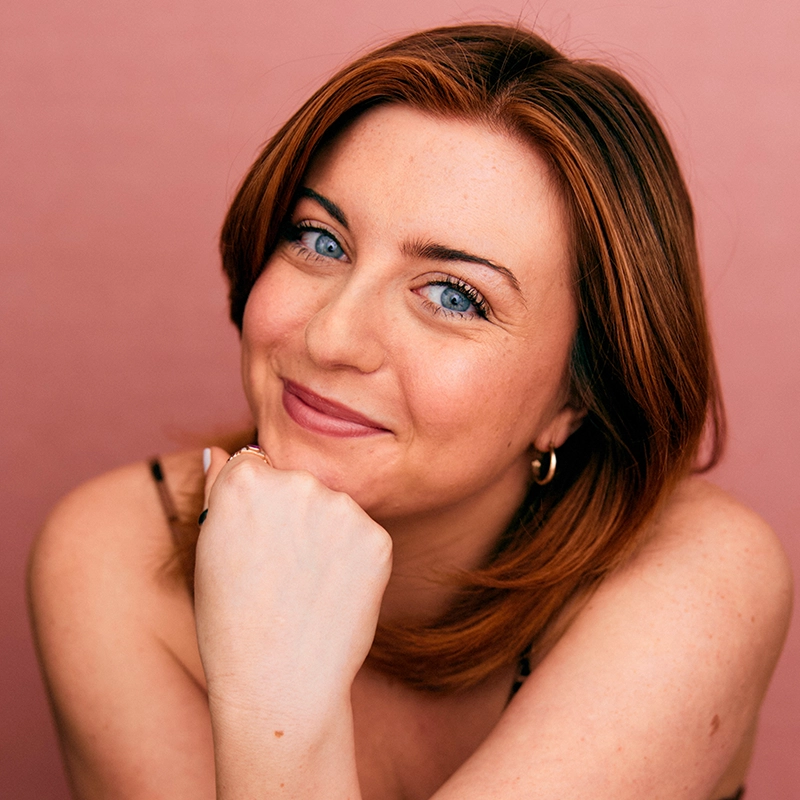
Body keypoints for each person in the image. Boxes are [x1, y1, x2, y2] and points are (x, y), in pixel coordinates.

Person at [28, 23, 791, 800]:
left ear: (577, 399)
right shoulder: (114, 554)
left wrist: (277, 706)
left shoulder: (701, 583)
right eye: (320, 241)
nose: (331, 336)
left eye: (455, 295)